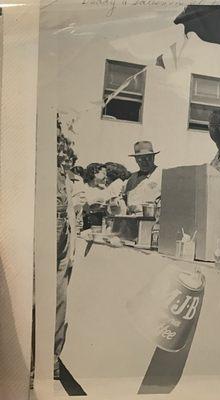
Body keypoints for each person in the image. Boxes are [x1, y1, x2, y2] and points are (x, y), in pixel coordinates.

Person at [55, 124, 77, 379]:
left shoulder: (63, 174)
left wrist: (72, 248)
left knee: (59, 296)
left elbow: (70, 208)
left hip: (63, 235)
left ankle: (52, 358)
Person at [123, 141, 162, 214]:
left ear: (153, 157)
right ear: (136, 160)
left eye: (147, 158)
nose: (144, 162)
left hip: (152, 219)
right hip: (131, 219)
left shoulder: (161, 175)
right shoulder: (132, 178)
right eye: (140, 159)